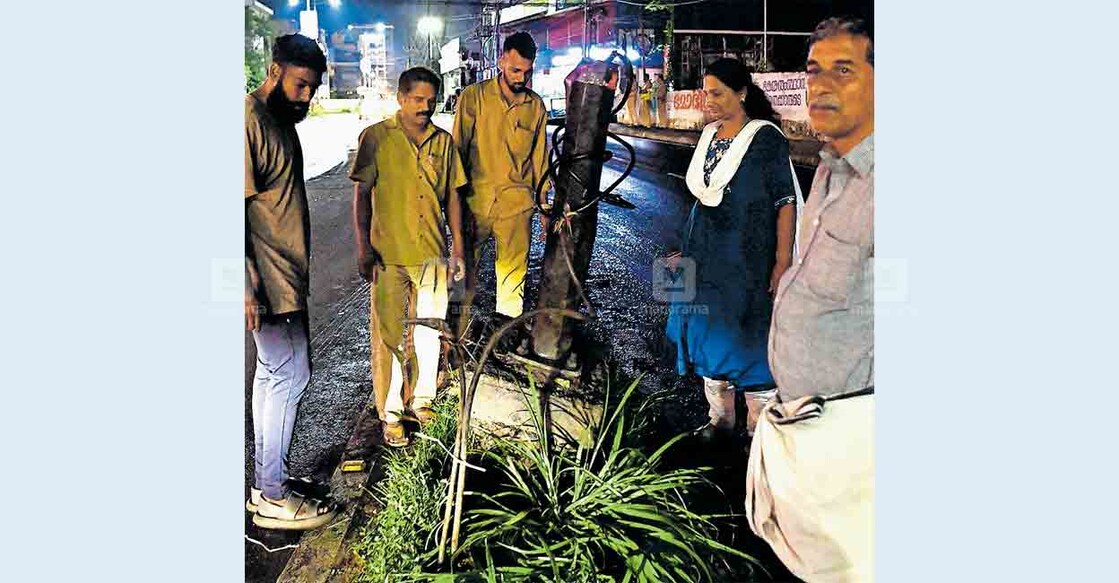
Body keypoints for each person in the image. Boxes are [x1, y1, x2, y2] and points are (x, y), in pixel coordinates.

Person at [744, 16, 875, 582]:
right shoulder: (829, 171)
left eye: (843, 71)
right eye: (813, 70)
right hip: (804, 438)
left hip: (855, 455)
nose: (819, 86)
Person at [664, 57, 803, 443]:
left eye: (717, 93)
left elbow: (785, 201)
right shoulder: (709, 135)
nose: (708, 100)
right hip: (705, 254)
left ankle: (758, 433)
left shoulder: (765, 138)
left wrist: (782, 261)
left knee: (749, 340)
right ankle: (720, 421)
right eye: (706, 92)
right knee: (708, 332)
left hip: (749, 258)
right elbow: (703, 199)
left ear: (741, 93)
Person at [245, 34, 338, 530]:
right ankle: (275, 497)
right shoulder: (247, 120)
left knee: (273, 376)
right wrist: (242, 286)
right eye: (301, 84)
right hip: (266, 280)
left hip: (285, 276)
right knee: (291, 376)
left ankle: (267, 485)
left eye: (312, 89)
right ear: (274, 68)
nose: (306, 97)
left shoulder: (279, 121)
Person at [349, 67, 467, 447]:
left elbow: (453, 197)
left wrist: (458, 250)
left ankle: (423, 401)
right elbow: (361, 197)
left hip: (432, 253)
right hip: (388, 255)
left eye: (431, 100)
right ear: (401, 98)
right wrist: (363, 247)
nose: (425, 107)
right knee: (388, 336)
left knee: (429, 330)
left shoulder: (443, 143)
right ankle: (390, 413)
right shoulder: (376, 139)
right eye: (417, 99)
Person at [450, 32, 550, 349]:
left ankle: (503, 347)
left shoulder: (535, 108)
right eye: (516, 70)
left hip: (516, 208)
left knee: (512, 284)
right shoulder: (473, 98)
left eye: (527, 72)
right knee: (462, 278)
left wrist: (545, 207)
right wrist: (452, 204)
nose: (521, 78)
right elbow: (456, 154)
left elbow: (540, 161)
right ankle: (454, 346)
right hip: (474, 205)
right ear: (502, 60)